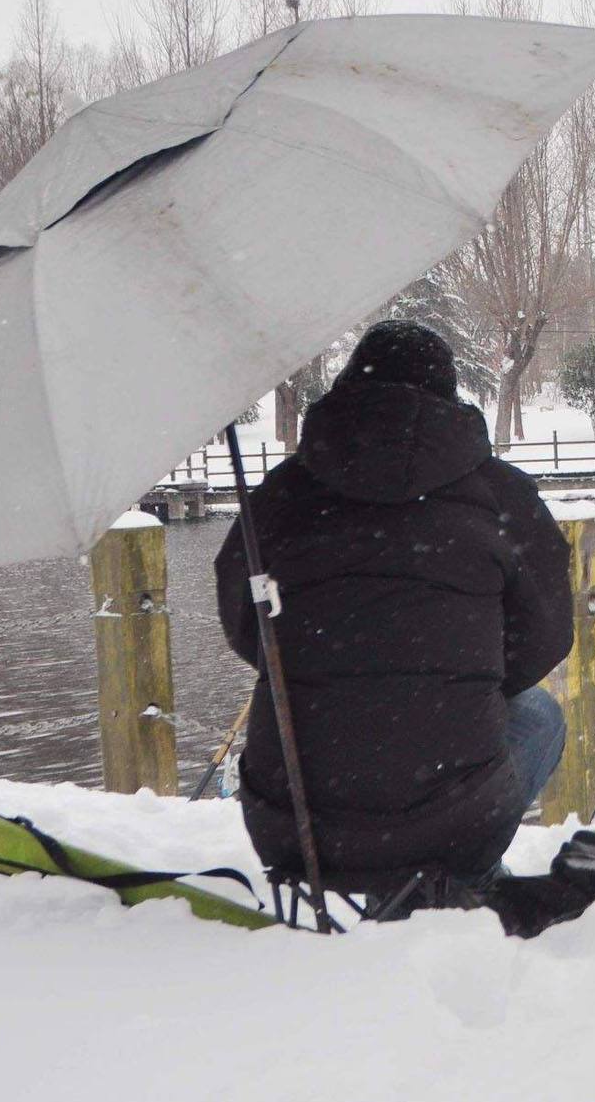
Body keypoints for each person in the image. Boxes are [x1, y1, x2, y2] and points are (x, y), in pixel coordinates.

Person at [216, 319, 573, 893]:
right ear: (449, 394)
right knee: (540, 716)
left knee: (301, 709)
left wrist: (325, 659)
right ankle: (468, 878)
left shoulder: (282, 493)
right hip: (455, 824)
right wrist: (467, 673)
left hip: (294, 824)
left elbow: (243, 619)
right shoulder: (499, 492)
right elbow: (547, 634)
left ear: (348, 385)